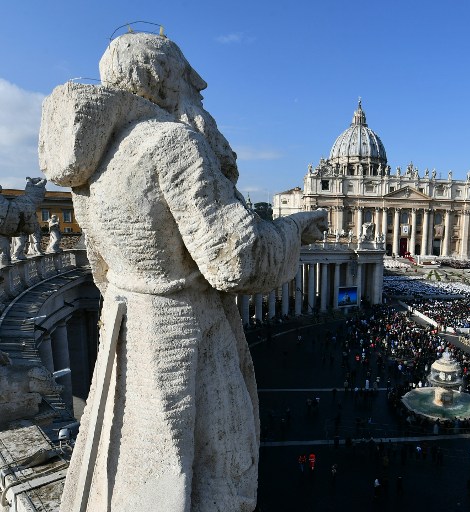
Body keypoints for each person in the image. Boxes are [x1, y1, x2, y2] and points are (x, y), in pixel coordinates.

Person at [39, 32, 327, 512]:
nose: (198, 89)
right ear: (162, 79)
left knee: (132, 464)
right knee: (207, 474)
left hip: (127, 330)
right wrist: (294, 230)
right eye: (188, 80)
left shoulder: (94, 167)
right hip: (187, 340)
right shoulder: (173, 143)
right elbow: (239, 260)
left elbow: (102, 270)